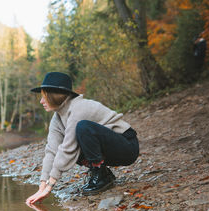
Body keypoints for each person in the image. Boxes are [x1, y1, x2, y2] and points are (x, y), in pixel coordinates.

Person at [26, 72, 139, 204]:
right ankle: (103, 174)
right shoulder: (57, 119)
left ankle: (98, 172)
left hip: (126, 146)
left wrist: (50, 185)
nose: (41, 101)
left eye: (44, 97)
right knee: (73, 141)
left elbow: (68, 148)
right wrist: (42, 186)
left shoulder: (79, 108)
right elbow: (52, 151)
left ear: (55, 96)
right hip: (108, 147)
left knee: (82, 128)